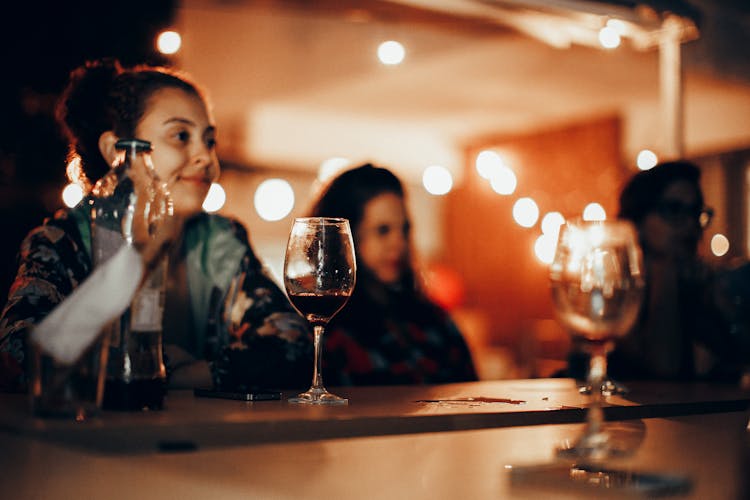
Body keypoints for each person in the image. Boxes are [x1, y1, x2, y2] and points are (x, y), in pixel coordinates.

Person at [0, 59, 311, 393]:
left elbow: (295, 345)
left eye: (209, 141)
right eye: (180, 136)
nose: (206, 158)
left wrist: (193, 373)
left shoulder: (221, 240)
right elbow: (20, 359)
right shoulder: (62, 242)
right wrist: (140, 360)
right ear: (116, 152)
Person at [306, 163, 477, 385]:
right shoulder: (323, 329)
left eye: (404, 230)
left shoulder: (435, 322)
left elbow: (472, 396)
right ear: (344, 240)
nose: (399, 243)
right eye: (383, 230)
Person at [602, 160, 747, 382]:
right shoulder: (615, 287)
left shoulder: (699, 282)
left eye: (695, 211)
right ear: (637, 221)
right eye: (673, 209)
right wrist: (664, 272)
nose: (690, 223)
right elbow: (662, 368)